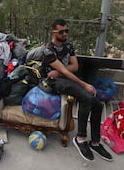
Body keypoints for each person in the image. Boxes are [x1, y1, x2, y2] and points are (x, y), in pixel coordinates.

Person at [42, 18, 112, 162]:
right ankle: (80, 138)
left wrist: (59, 70)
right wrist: (84, 84)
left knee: (97, 104)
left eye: (66, 31)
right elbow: (68, 71)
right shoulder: (48, 50)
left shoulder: (69, 45)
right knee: (86, 97)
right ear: (53, 32)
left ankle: (95, 142)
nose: (65, 34)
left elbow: (75, 67)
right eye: (61, 32)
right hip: (54, 82)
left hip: (64, 77)